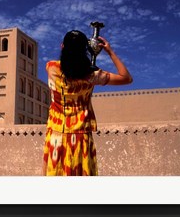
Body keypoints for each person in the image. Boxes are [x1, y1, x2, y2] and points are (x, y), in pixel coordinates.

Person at [43, 30, 133, 176]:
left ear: (62, 46)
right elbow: (126, 78)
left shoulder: (51, 68)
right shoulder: (92, 76)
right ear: (85, 50)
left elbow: (68, 67)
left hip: (56, 134)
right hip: (80, 137)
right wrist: (109, 51)